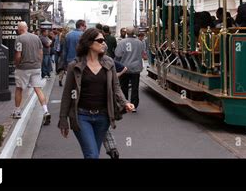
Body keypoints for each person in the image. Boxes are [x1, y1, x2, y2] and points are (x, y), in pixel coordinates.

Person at [58, 28, 134, 159]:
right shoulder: (74, 66)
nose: (104, 43)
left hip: (103, 117)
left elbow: (116, 87)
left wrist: (125, 102)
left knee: (94, 154)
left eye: (104, 40)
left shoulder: (109, 63)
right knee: (92, 155)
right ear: (88, 43)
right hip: (81, 116)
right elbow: (67, 94)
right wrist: (63, 119)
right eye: (100, 40)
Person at [13, 22, 51, 124]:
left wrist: (17, 64)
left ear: (19, 29)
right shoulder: (36, 38)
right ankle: (45, 111)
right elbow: (41, 52)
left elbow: (18, 55)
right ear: (27, 28)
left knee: (19, 88)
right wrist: (39, 63)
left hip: (23, 67)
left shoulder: (19, 39)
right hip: (36, 67)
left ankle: (17, 111)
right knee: (38, 89)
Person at [115, 26, 148, 112]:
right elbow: (144, 55)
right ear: (134, 33)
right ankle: (134, 106)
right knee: (135, 88)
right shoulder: (140, 42)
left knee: (123, 87)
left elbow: (118, 54)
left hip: (124, 68)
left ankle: (125, 105)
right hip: (136, 68)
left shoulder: (122, 42)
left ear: (126, 33)